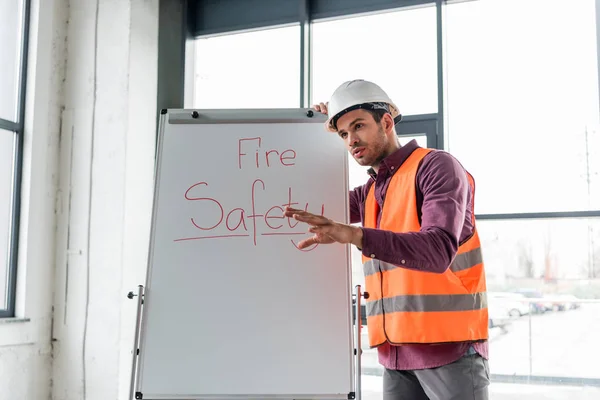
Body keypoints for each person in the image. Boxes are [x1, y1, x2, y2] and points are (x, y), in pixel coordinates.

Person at [283, 79, 490, 400]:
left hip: (449, 350)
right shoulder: (370, 191)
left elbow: (437, 250)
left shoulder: (435, 166)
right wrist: (311, 130)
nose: (351, 140)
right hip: (395, 351)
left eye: (359, 126)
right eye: (342, 134)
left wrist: (352, 234)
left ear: (387, 122)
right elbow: (306, 204)